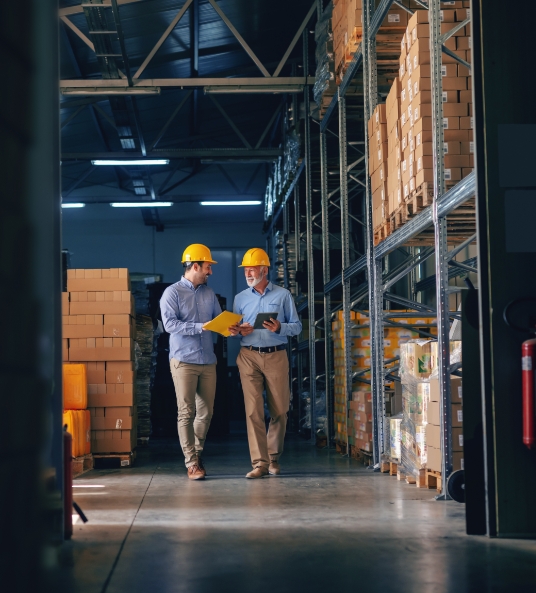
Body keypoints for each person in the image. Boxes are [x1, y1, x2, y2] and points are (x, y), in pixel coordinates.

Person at [229, 248, 302, 479]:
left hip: (276, 355)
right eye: (246, 270)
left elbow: (297, 326)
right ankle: (259, 463)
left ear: (265, 269)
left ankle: (274, 458)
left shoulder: (283, 295)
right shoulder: (240, 298)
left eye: (252, 269)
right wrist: (239, 330)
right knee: (253, 411)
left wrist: (280, 327)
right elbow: (234, 329)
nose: (248, 273)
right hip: (248, 356)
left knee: (280, 409)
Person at [160, 244, 221, 481]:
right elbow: (170, 325)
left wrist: (233, 327)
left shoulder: (209, 293)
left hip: (208, 360)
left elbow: (217, 321)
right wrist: (200, 327)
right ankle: (192, 462)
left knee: (206, 412)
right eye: (207, 267)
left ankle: (196, 454)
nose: (210, 272)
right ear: (195, 266)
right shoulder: (172, 293)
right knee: (186, 412)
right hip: (183, 361)